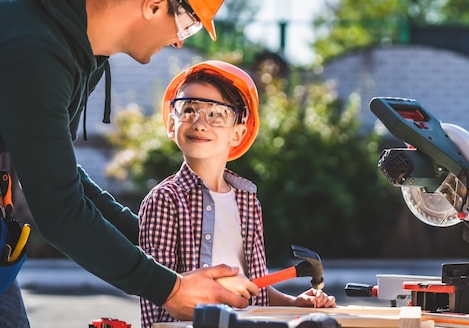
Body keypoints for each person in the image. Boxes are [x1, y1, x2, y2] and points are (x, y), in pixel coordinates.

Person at [0, 0, 258, 327]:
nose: (180, 41)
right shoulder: (34, 48)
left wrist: (164, 247)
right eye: (187, 22)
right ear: (153, 4)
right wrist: (170, 289)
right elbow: (60, 210)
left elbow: (62, 178)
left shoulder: (70, 40)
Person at [139, 60, 336, 327]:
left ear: (238, 133)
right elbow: (158, 296)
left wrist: (292, 304)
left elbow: (254, 285)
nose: (199, 123)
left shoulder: (247, 201)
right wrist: (216, 293)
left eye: (217, 114)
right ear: (172, 125)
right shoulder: (165, 200)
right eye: (188, 110)